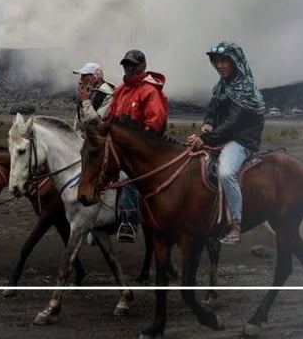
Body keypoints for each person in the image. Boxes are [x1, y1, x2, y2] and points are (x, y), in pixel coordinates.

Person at [185, 41, 266, 245]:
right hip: (221, 137)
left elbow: (233, 122)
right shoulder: (222, 86)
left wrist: (204, 139)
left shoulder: (245, 89)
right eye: (217, 61)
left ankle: (236, 224)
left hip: (240, 140)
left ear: (235, 62)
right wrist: (208, 124)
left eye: (224, 61)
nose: (219, 65)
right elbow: (212, 110)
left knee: (226, 172)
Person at [106, 49, 169, 242]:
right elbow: (110, 118)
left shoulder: (149, 91)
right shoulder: (120, 91)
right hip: (120, 149)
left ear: (142, 66)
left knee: (127, 179)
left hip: (143, 152)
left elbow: (155, 123)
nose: (128, 68)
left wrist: (135, 145)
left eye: (132, 65)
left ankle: (128, 223)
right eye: (126, 64)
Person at [71, 62, 115, 131]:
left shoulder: (106, 94)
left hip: (97, 138)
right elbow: (79, 118)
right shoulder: (88, 91)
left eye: (84, 76)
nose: (81, 79)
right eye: (82, 76)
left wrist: (85, 100)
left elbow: (95, 122)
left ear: (95, 77)